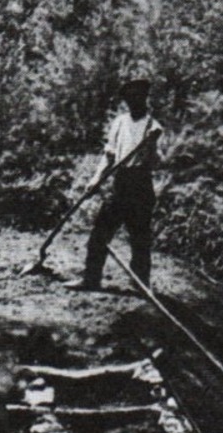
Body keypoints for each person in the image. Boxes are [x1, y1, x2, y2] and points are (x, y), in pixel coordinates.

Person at [65, 77, 164, 292]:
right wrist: (95, 179)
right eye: (129, 96)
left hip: (140, 185)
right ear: (125, 99)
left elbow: (156, 164)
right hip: (120, 183)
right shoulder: (119, 122)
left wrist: (152, 145)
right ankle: (91, 279)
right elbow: (109, 155)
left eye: (138, 95)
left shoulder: (154, 127)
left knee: (140, 239)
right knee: (99, 232)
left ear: (145, 98)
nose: (134, 100)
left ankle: (141, 286)